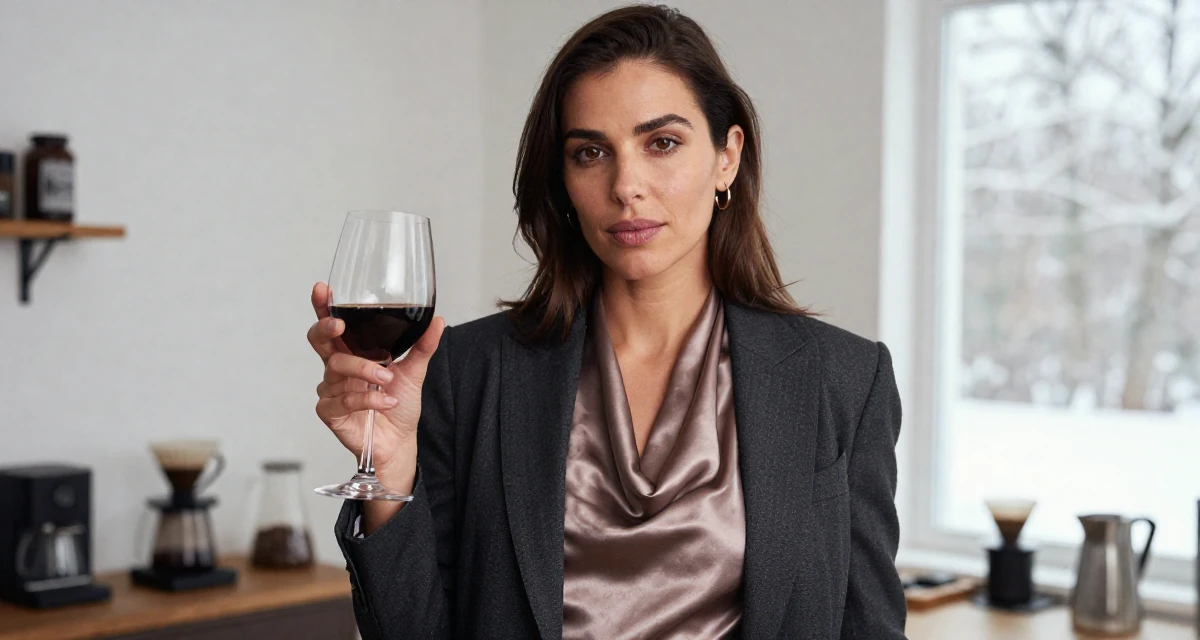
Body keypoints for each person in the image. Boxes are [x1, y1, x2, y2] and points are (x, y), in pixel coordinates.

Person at [305, 5, 905, 639]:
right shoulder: (469, 371)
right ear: (563, 179)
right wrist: (391, 468)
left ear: (727, 156)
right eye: (591, 152)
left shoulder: (844, 380)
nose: (627, 185)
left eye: (663, 143)